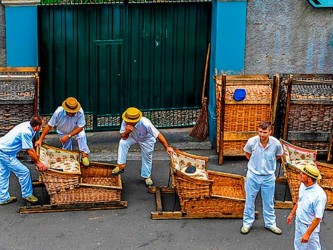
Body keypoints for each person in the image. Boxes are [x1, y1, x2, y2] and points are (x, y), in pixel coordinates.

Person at [240, 121, 284, 235]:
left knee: (269, 202)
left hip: (268, 177)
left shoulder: (276, 144)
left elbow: (278, 156)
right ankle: (247, 223)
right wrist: (255, 164)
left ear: (270, 132)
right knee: (249, 200)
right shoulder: (252, 141)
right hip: (253, 175)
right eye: (260, 132)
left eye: (265, 132)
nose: (262, 135)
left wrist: (268, 165)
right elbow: (247, 153)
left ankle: (270, 224)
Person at [112, 107, 174, 186]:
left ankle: (146, 176)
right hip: (133, 136)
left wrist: (167, 147)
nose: (127, 121)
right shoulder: (125, 121)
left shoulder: (146, 124)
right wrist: (127, 131)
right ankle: (121, 165)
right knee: (123, 143)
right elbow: (123, 137)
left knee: (147, 156)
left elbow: (158, 135)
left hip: (146, 139)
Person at [0, 115, 48, 205]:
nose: (42, 127)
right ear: (37, 126)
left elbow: (30, 146)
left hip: (3, 149)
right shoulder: (26, 132)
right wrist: (38, 163)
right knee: (24, 172)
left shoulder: (28, 125)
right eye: (41, 126)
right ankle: (27, 195)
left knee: (3, 174)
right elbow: (29, 150)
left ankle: (3, 198)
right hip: (6, 154)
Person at [35, 97, 90, 166]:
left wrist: (69, 135)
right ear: (66, 110)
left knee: (82, 136)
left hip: (75, 129)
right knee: (67, 150)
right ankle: (70, 161)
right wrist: (40, 139)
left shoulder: (80, 112)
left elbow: (80, 127)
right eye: (71, 112)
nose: (73, 113)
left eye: (74, 112)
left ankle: (84, 154)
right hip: (63, 131)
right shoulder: (58, 112)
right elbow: (49, 126)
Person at [287, 164, 327, 250]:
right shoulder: (303, 185)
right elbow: (299, 201)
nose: (300, 174)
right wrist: (291, 214)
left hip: (309, 227)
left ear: (309, 179)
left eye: (303, 173)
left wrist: (307, 234)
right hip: (299, 222)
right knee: (298, 246)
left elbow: (318, 218)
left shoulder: (319, 196)